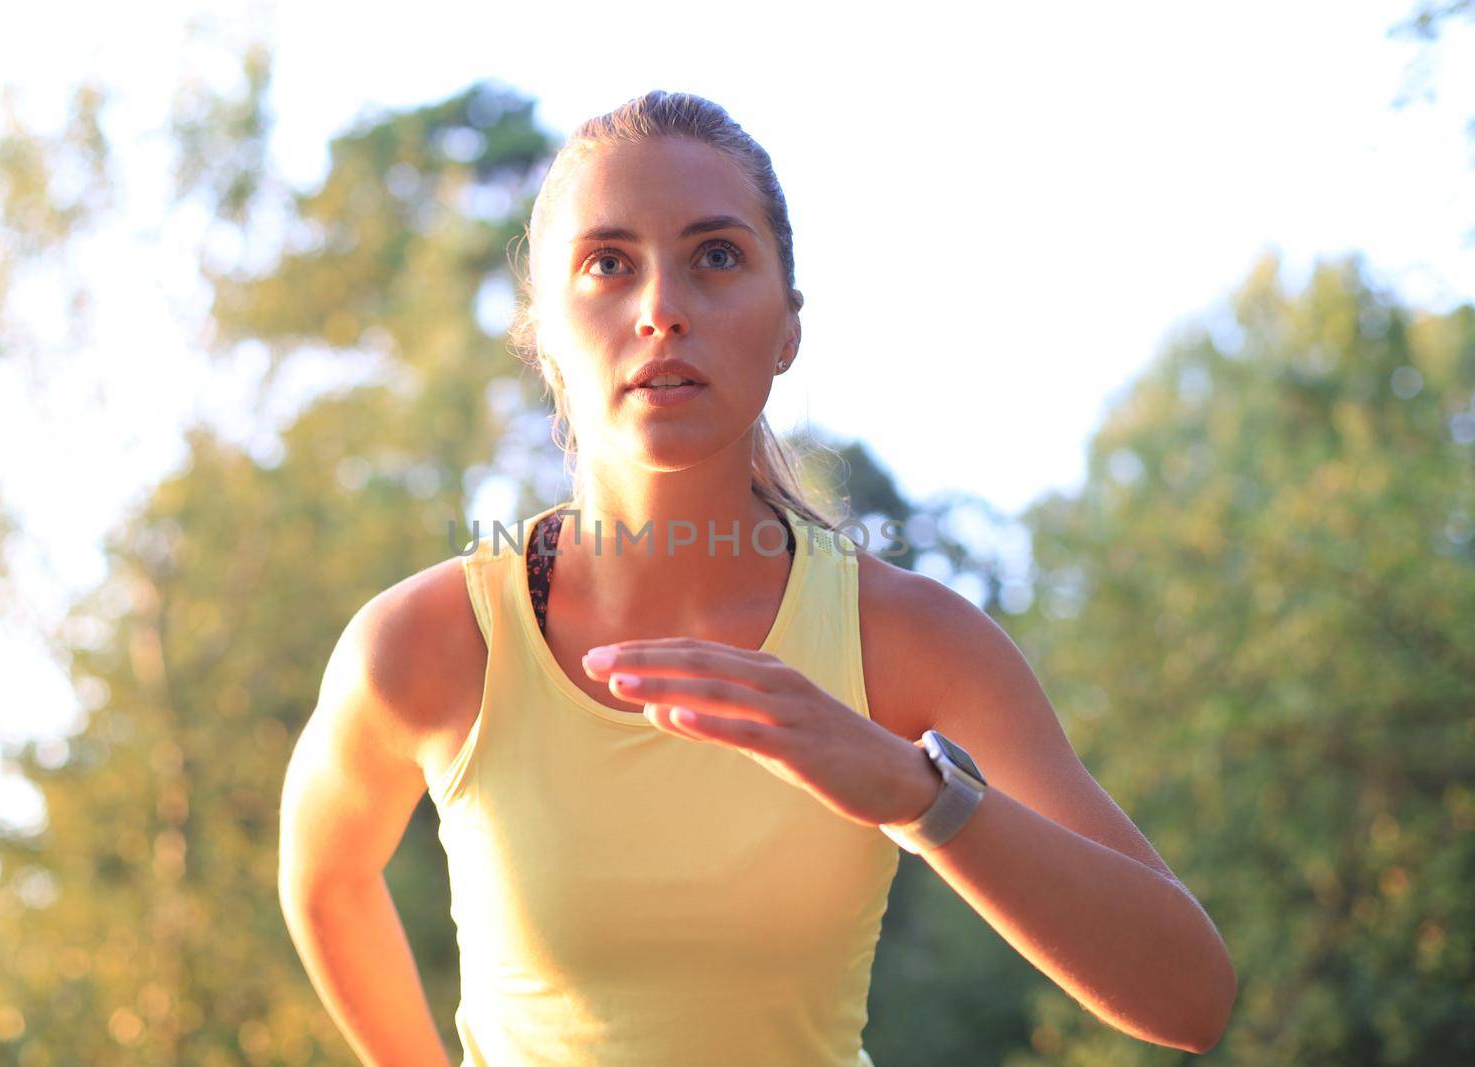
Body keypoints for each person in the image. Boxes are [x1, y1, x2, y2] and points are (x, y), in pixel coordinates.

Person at [278, 90, 1236, 1066]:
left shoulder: (903, 636)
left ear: (787, 326)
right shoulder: (432, 641)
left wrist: (919, 797)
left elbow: (1189, 995)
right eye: (608, 264)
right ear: (545, 337)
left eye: (717, 257)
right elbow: (324, 878)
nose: (661, 310)